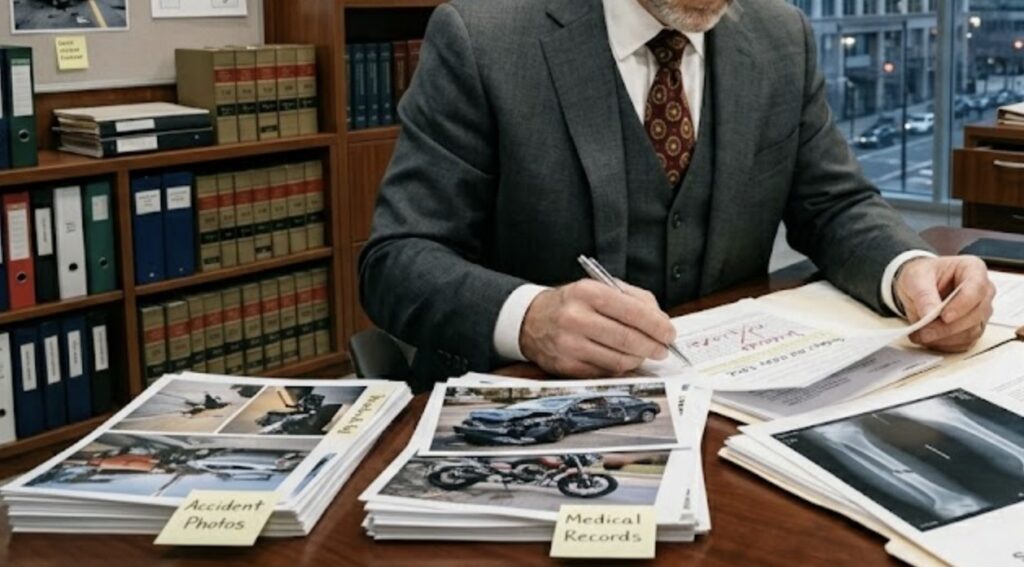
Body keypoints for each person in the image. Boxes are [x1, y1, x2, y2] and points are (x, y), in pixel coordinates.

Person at [359, 0, 995, 389]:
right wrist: (529, 320)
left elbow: (834, 205)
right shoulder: (482, 38)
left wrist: (910, 270)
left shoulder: (781, 37)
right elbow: (399, 260)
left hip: (735, 406)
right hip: (535, 407)